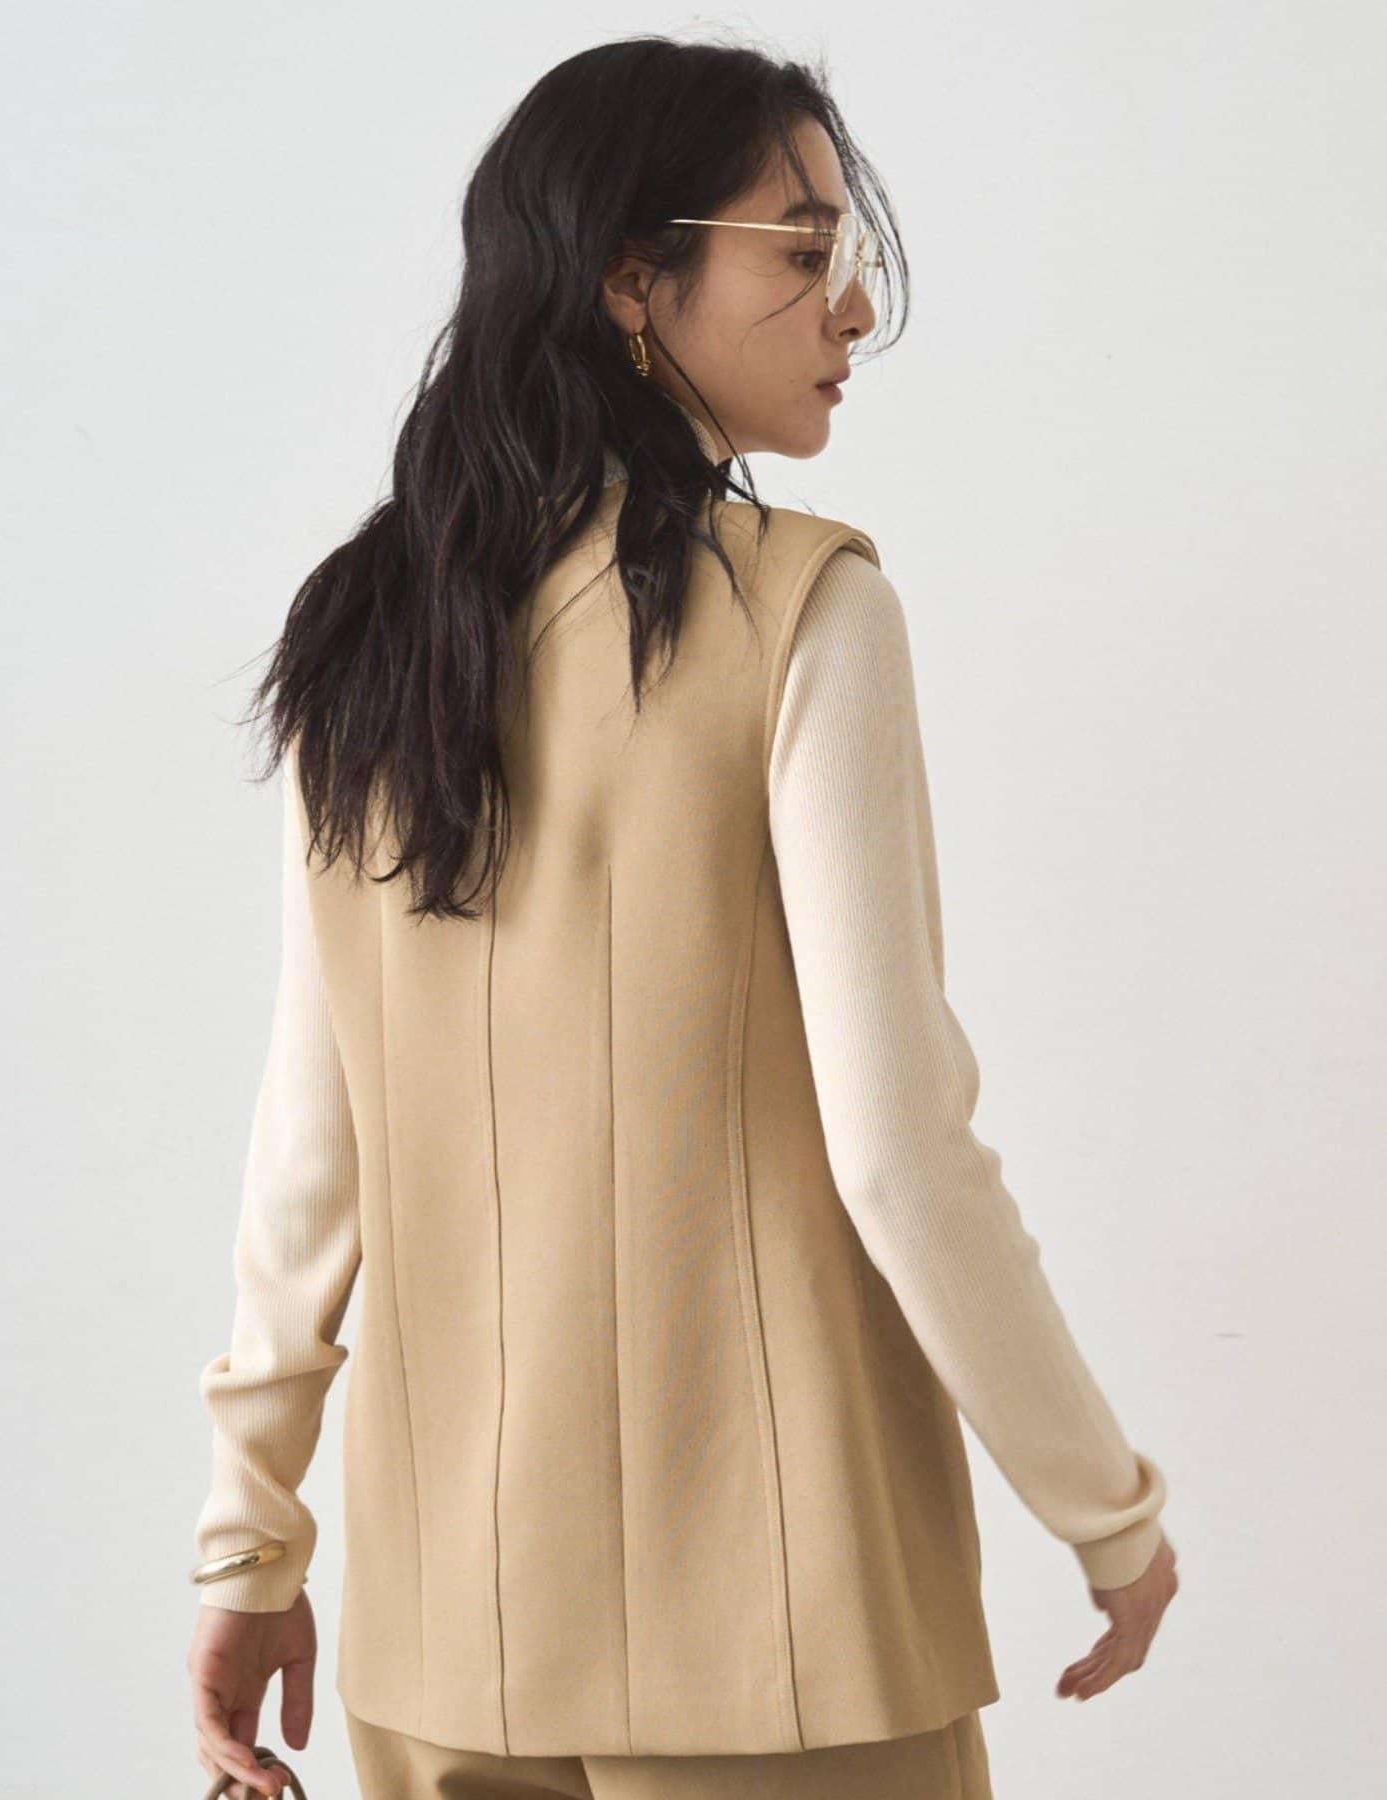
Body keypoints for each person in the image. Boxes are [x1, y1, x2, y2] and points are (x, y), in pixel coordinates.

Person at [186, 34, 1179, 1800]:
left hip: (446, 1636)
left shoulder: (367, 634)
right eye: (800, 252)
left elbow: (305, 1157)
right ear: (632, 282)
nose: (851, 308)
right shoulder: (807, 611)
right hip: (786, 1640)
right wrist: (1106, 1510)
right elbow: (902, 1155)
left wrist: (248, 1544)